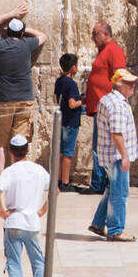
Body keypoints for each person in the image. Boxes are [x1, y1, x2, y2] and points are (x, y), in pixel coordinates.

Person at [0, 3, 47, 182]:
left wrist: (10, 14)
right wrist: (26, 29)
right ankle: (18, 178)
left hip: (4, 98)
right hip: (25, 98)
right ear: (21, 34)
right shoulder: (27, 44)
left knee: (1, 141)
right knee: (20, 140)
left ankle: (0, 177)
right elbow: (43, 36)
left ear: (6, 33)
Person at [0, 135, 49, 277]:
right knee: (38, 260)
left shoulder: (10, 171)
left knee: (14, 262)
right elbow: (55, 190)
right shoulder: (39, 170)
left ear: (10, 151)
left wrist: (2, 213)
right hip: (32, 223)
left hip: (14, 223)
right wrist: (42, 210)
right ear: (27, 150)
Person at [89, 68, 138, 243]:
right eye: (129, 83)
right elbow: (116, 133)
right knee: (120, 192)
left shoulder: (107, 99)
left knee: (112, 189)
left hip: (108, 155)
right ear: (119, 86)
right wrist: (125, 156)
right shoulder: (118, 105)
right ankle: (116, 230)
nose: (133, 86)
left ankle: (98, 223)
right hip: (116, 156)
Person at [82, 22, 126, 195]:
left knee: (99, 147)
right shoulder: (104, 51)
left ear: (105, 34)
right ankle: (102, 182)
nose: (93, 38)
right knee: (101, 145)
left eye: (95, 34)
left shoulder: (114, 50)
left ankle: (98, 184)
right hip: (100, 105)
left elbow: (119, 78)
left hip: (107, 107)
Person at [54, 53, 83, 193]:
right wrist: (83, 101)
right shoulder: (71, 84)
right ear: (73, 67)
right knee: (68, 154)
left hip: (61, 120)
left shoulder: (59, 81)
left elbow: (56, 100)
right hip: (71, 122)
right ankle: (65, 183)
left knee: (61, 153)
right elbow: (72, 104)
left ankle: (59, 180)